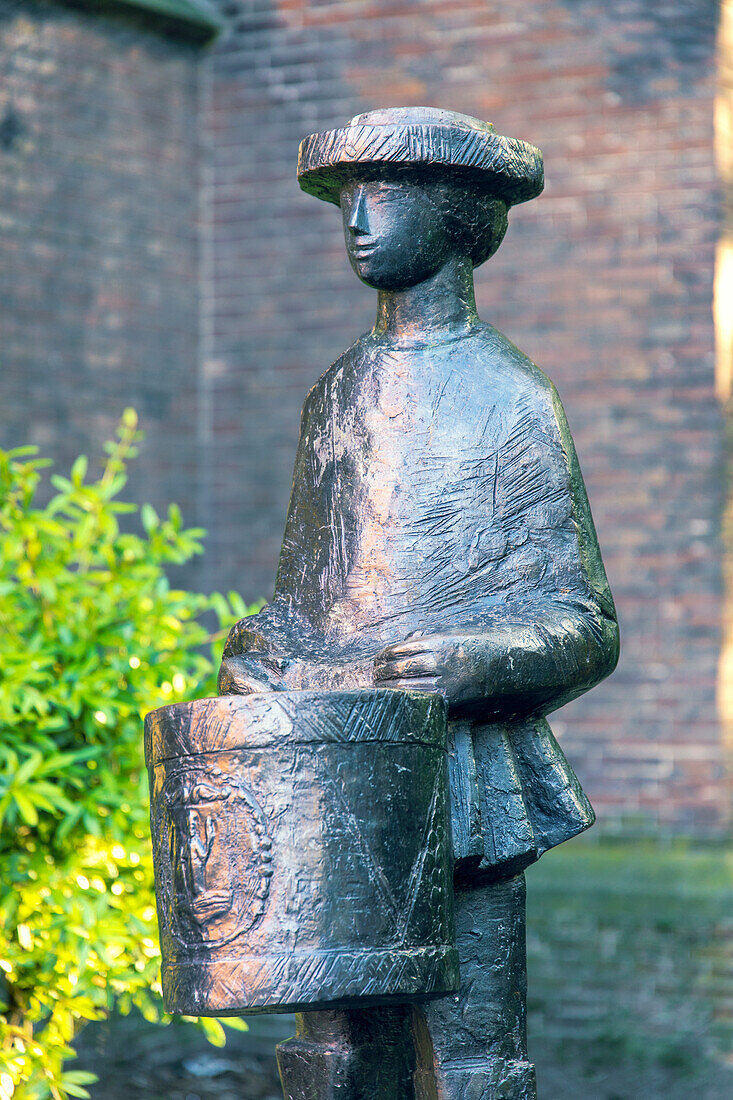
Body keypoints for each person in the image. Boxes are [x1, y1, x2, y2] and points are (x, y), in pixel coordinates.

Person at [218, 107, 619, 1100]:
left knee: (474, 1057)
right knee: (338, 1057)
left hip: (467, 782)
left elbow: (584, 618)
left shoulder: (511, 396)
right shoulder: (336, 393)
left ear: (455, 217)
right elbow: (304, 597)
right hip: (336, 780)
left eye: (383, 192)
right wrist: (260, 651)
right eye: (346, 196)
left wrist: (481, 661)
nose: (355, 217)